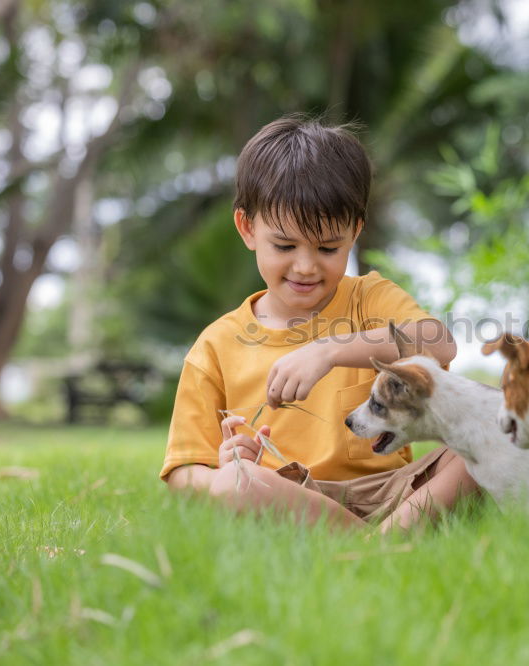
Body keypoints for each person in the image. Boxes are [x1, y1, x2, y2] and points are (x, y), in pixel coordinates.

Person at [160, 115, 480, 531]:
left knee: (499, 423)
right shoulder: (216, 346)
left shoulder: (369, 298)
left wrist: (328, 350)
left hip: (393, 495)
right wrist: (223, 469)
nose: (306, 266)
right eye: (285, 245)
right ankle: (382, 548)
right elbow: (183, 474)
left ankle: (378, 543)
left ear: (355, 232)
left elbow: (440, 344)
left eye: (329, 247)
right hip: (286, 496)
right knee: (238, 482)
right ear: (247, 227)